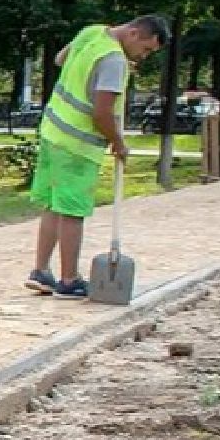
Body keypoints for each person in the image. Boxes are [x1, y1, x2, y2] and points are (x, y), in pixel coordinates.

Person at [26, 15, 170, 298]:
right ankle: (69, 280)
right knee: (72, 210)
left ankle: (41, 271)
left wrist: (99, 70)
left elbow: (60, 59)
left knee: (53, 205)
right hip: (78, 143)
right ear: (134, 33)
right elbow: (102, 112)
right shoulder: (114, 61)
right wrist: (118, 142)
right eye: (147, 49)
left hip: (53, 130)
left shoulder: (92, 33)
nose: (144, 56)